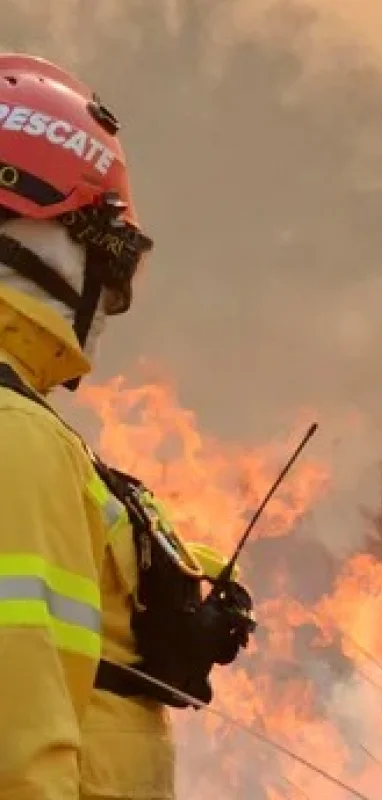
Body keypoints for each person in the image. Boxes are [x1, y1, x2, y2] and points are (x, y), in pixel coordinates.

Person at [0, 53, 255, 800]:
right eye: (104, 255)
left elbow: (75, 551)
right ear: (31, 237)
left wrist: (174, 581)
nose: (110, 301)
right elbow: (15, 755)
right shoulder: (16, 438)